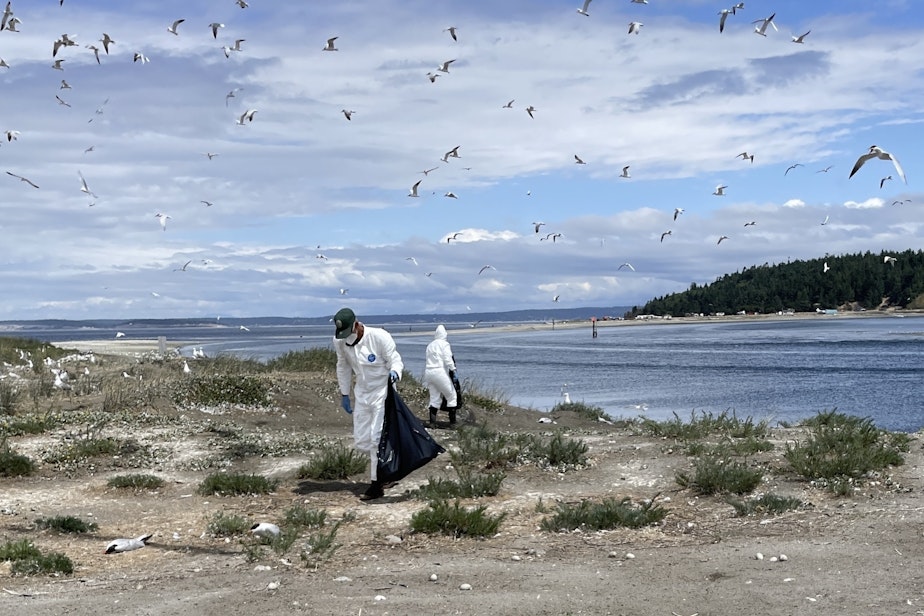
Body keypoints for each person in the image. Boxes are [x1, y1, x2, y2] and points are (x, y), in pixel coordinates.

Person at [333, 307, 403, 501]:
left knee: (375, 438)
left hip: (382, 392)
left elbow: (395, 359)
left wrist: (395, 372)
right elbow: (343, 366)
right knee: (362, 440)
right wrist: (344, 393)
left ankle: (376, 484)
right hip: (362, 393)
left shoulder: (379, 337)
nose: (347, 338)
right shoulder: (339, 342)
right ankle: (388, 469)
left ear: (356, 324)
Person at [423, 324, 459, 426]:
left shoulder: (430, 345)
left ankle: (432, 422)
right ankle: (453, 423)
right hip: (440, 372)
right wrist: (453, 369)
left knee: (434, 397)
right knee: (451, 396)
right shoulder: (444, 344)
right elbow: (448, 358)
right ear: (444, 334)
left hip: (429, 372)